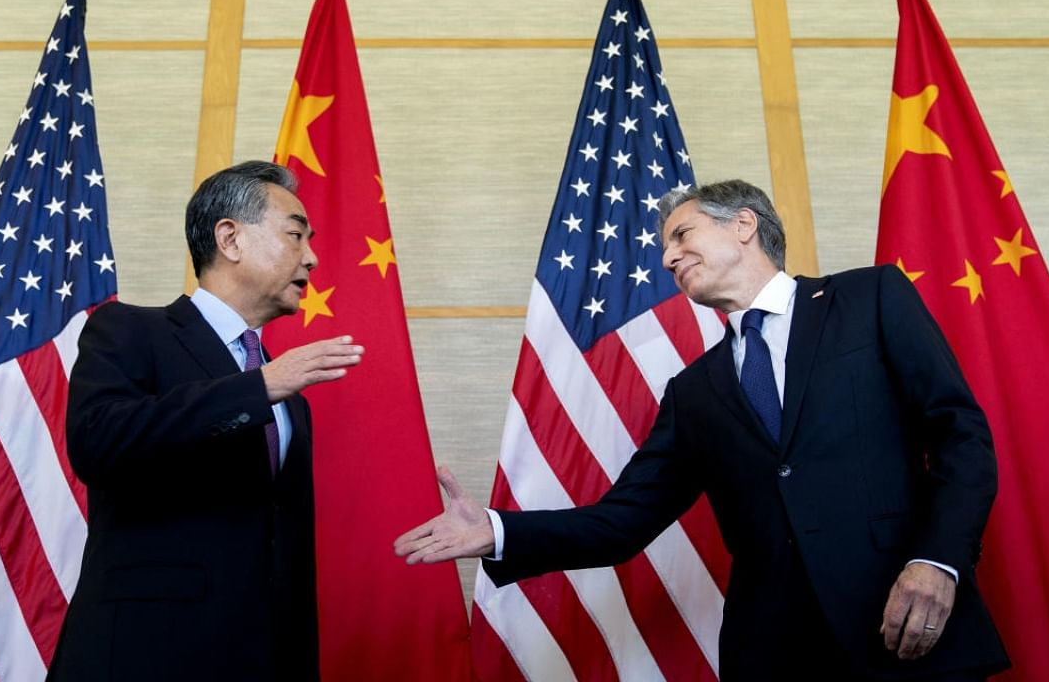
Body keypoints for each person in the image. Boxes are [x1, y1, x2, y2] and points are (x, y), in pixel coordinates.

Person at [396, 180, 1010, 681]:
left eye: (681, 234)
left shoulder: (869, 298)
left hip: (901, 623)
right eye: (665, 247)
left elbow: (960, 435)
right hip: (775, 654)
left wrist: (938, 562)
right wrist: (498, 532)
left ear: (744, 224)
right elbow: (623, 522)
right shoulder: (693, 393)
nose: (667, 258)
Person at [48, 161, 363, 681]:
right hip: (143, 655)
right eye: (295, 235)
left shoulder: (289, 397)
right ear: (230, 239)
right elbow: (97, 442)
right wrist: (256, 389)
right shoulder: (130, 330)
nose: (312, 257)